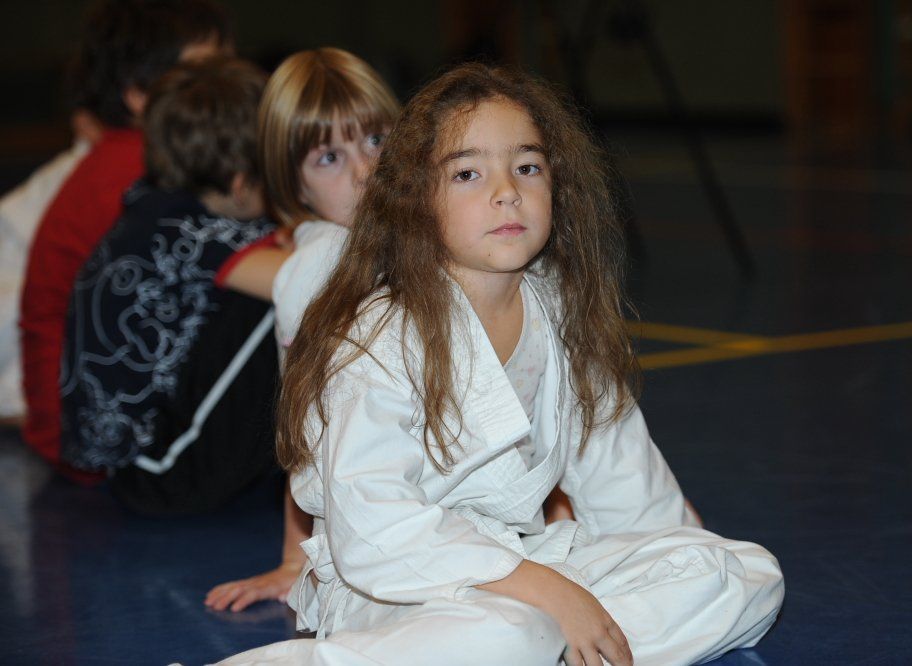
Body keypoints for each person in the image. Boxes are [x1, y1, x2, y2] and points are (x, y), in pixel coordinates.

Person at [218, 63, 784, 666]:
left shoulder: (561, 311)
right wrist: (543, 590)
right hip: (397, 587)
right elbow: (373, 529)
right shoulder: (379, 332)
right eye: (468, 173)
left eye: (527, 167)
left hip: (525, 561)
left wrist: (674, 549)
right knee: (511, 634)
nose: (507, 191)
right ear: (416, 199)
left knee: (744, 573)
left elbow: (622, 479)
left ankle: (566, 648)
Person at [204, 47, 401, 612]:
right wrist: (297, 559)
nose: (365, 171)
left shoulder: (428, 226)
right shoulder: (316, 271)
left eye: (376, 140)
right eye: (328, 158)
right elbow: (305, 429)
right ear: (295, 189)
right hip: (387, 515)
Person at [60, 56, 288, 514]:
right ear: (242, 184)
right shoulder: (190, 234)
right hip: (156, 472)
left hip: (128, 459)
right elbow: (313, 277)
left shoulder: (154, 205)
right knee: (283, 302)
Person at [18, 0, 231, 471]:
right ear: (138, 94)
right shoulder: (141, 167)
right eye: (203, 75)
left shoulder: (127, 157)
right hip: (89, 438)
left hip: (74, 423)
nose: (227, 91)